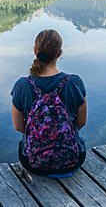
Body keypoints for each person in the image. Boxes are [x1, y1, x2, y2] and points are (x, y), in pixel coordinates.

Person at [10, 29, 87, 177]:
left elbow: (19, 126)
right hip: (73, 159)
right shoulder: (75, 82)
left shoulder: (22, 85)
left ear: (35, 51)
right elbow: (81, 122)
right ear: (59, 53)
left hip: (33, 162)